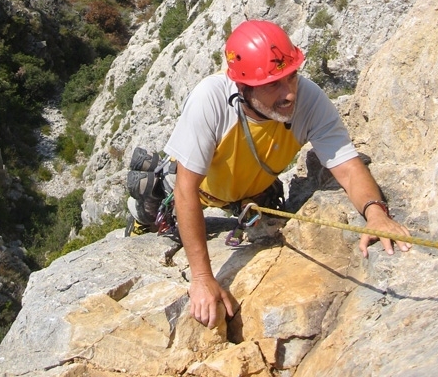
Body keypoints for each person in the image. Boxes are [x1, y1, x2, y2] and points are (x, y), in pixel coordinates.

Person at [130, 19, 412, 328]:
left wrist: (375, 212)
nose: (289, 93)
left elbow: (346, 166)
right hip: (198, 188)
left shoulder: (310, 100)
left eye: (291, 78)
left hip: (252, 191)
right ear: (241, 87)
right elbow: (186, 190)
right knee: (154, 195)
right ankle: (144, 208)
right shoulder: (210, 99)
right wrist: (201, 278)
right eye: (273, 84)